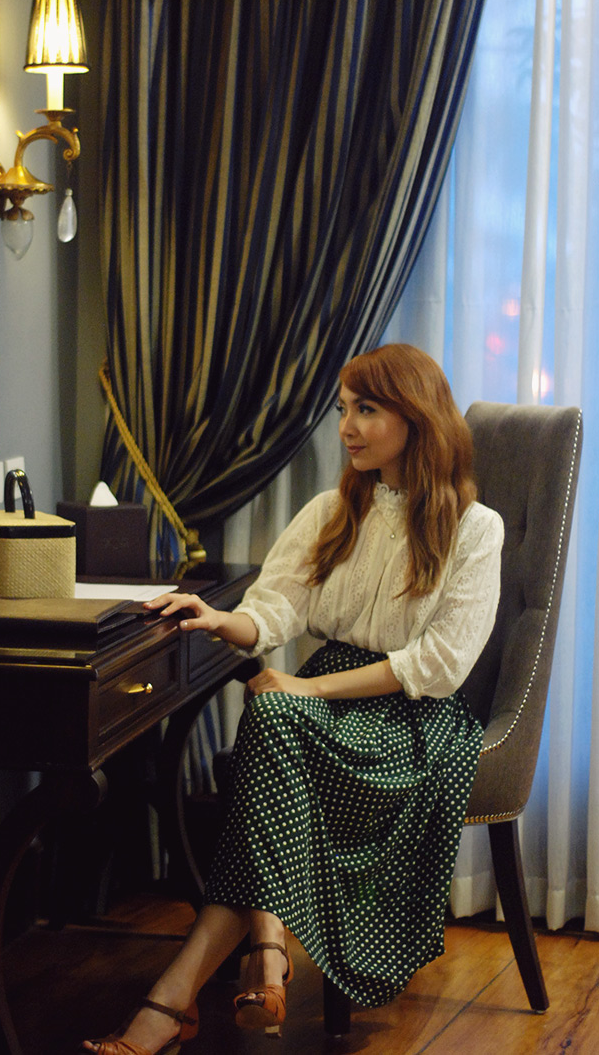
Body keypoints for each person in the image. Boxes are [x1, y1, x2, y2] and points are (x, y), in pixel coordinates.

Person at [82, 343, 504, 1055]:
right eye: (343, 410)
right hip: (327, 699)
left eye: (366, 409)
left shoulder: (475, 527)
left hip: (413, 717)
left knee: (272, 711)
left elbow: (439, 665)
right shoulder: (331, 511)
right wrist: (221, 619)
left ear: (416, 416)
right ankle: (249, 961)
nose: (347, 427)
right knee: (274, 714)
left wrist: (305, 685)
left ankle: (200, 986)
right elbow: (274, 610)